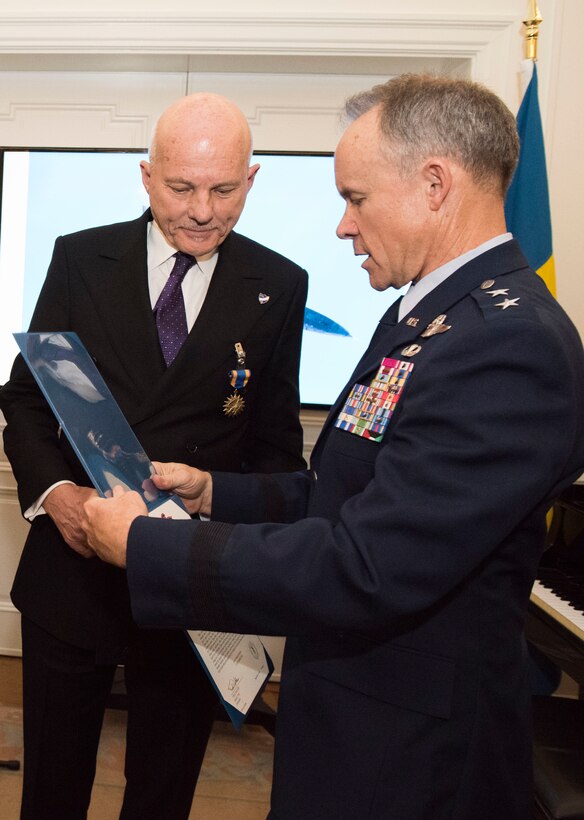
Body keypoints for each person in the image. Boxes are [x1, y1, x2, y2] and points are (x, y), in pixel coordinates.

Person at [82, 73, 584, 820]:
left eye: (356, 198)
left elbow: (367, 565)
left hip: (412, 756)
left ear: (435, 184)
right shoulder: (430, 315)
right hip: (360, 716)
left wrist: (147, 547)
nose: (344, 227)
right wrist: (216, 491)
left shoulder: (504, 343)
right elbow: (349, 489)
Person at [0, 92, 308, 819]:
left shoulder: (279, 284)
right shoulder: (80, 259)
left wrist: (216, 495)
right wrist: (58, 498)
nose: (202, 209)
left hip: (188, 583)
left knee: (163, 793)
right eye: (180, 187)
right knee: (52, 789)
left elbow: (274, 448)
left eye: (224, 189)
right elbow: (27, 400)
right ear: (146, 176)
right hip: (71, 576)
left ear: (251, 180)